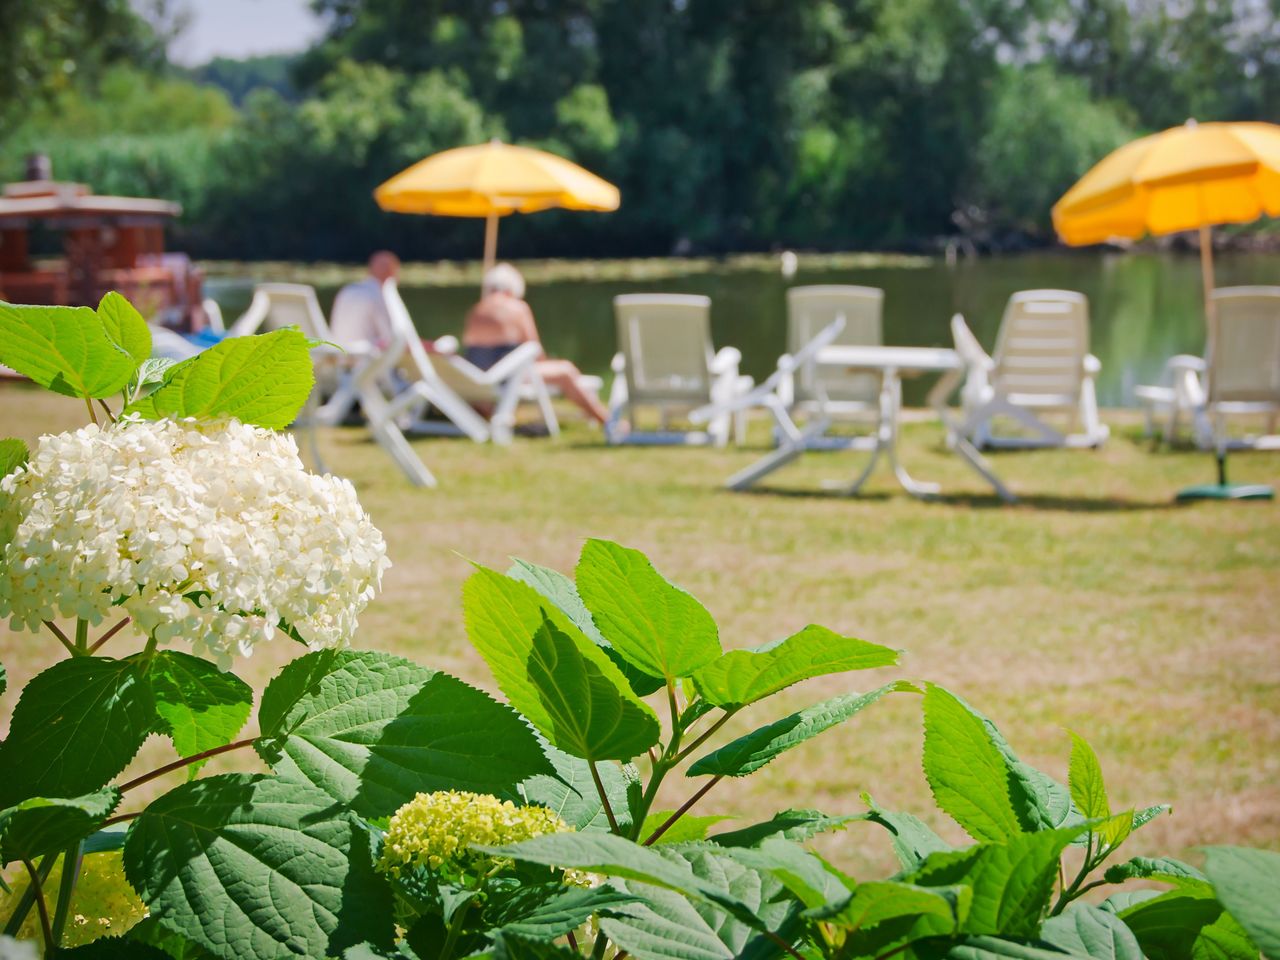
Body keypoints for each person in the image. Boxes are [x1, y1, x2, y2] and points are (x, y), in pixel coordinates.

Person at [463, 263, 608, 424]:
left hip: (479, 378)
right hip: (507, 377)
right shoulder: (517, 307)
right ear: (513, 289)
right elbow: (534, 349)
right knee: (565, 371)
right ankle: (605, 419)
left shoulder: (476, 310)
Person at [330, 250, 400, 353]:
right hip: (364, 358)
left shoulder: (346, 291)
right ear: (392, 273)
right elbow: (391, 339)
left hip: (335, 354)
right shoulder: (379, 295)